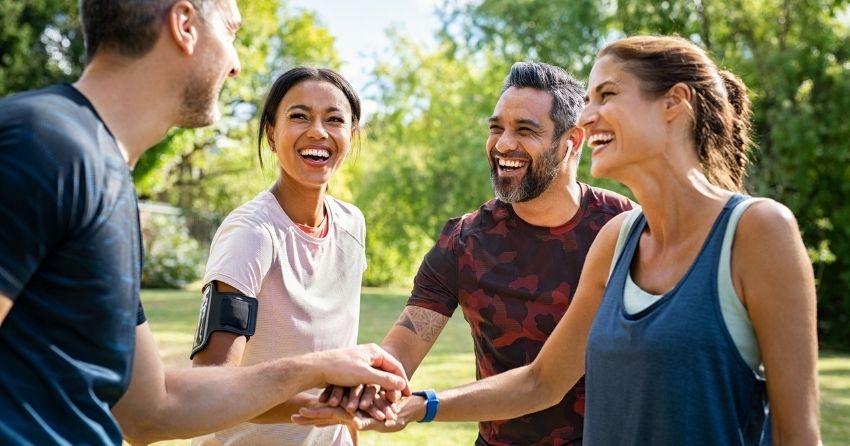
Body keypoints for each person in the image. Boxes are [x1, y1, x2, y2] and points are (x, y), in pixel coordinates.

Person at [297, 35, 821, 445]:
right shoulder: (586, 241)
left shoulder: (732, 230)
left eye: (607, 95)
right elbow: (535, 380)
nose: (503, 144)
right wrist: (376, 394)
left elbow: (797, 433)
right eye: (496, 127)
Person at [0, 2, 408, 445]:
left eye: (334, 119)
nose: (235, 65)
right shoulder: (41, 144)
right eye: (231, 31)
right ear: (184, 25)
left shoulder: (109, 180)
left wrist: (319, 370)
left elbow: (149, 413)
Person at [316, 61, 633, 445]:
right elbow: (400, 351)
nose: (502, 145)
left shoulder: (626, 228)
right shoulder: (464, 240)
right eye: (496, 128)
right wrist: (367, 389)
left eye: (525, 130)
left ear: (573, 141)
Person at [188, 67, 372, 446]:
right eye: (299, 116)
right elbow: (209, 388)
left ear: (350, 136)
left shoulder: (352, 224)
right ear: (272, 135)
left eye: (335, 119)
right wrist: (323, 403)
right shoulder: (250, 234)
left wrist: (348, 426)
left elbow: (341, 351)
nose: (318, 131)